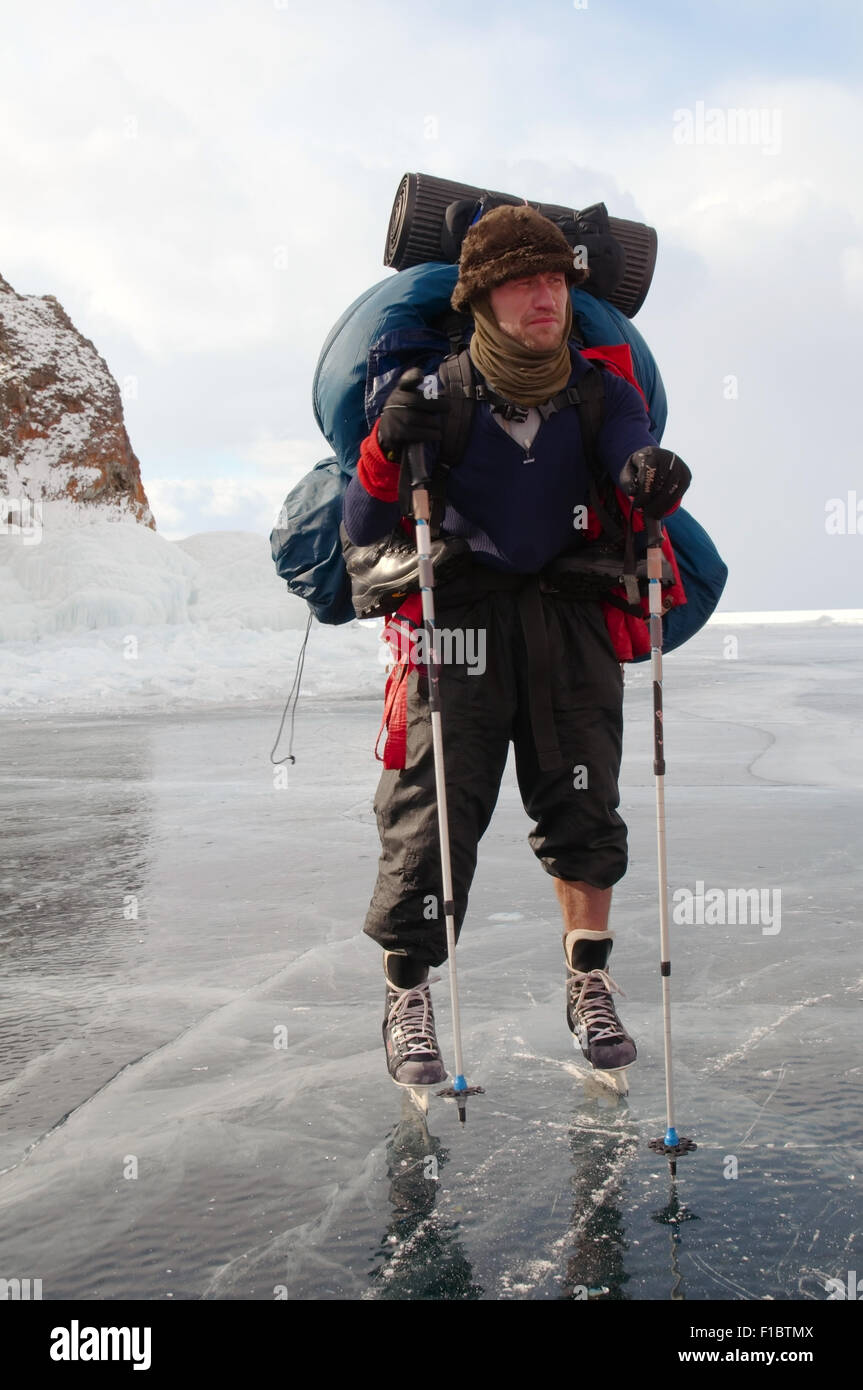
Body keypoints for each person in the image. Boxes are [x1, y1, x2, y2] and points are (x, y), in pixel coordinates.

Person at [341, 205, 691, 1089]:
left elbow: (629, 453)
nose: (545, 296)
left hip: (567, 619)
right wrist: (385, 443)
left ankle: (588, 981)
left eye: (556, 282)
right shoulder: (432, 394)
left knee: (584, 808)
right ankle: (408, 997)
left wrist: (650, 476)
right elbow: (362, 518)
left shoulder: (600, 390)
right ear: (482, 300)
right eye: (522, 283)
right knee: (432, 818)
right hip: (454, 620)